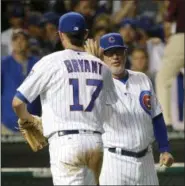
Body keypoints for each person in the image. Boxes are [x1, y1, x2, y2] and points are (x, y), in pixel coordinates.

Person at [12, 12, 117, 185]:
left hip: (66, 142)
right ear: (85, 34)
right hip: (95, 142)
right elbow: (111, 108)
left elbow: (17, 102)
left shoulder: (50, 62)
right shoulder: (102, 67)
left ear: (60, 34)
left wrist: (28, 119)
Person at [84, 33, 174, 185]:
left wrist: (164, 148)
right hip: (115, 162)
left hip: (146, 160)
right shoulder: (96, 83)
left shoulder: (142, 79)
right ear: (102, 56)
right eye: (109, 53)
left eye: (118, 52)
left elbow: (156, 116)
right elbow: (87, 104)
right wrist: (93, 65)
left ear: (125, 54)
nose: (115, 57)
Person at [1, 29, 41, 134]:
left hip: (34, 125)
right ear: (11, 42)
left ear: (28, 42)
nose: (18, 42)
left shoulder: (38, 64)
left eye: (22, 39)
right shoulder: (3, 64)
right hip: (7, 125)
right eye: (15, 39)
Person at [155, 0, 185, 131]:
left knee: (163, 80)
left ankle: (166, 123)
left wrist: (168, 37)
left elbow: (169, 19)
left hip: (181, 37)